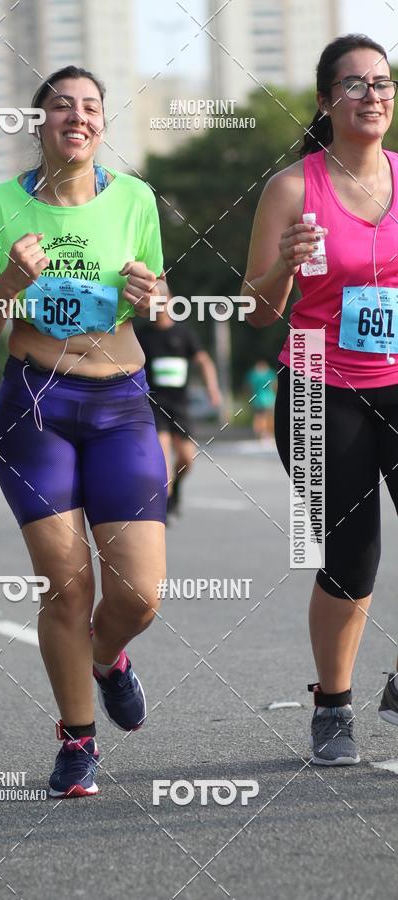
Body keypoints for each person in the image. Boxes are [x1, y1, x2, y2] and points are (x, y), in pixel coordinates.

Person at [0, 65, 168, 797]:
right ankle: (77, 740)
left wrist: (155, 295)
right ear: (38, 122)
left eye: (91, 108)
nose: (77, 117)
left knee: (139, 594)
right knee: (66, 587)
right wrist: (9, 287)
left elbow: (158, 303)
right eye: (62, 107)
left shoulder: (135, 198)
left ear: (102, 124)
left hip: (121, 404)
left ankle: (108, 658)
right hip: (36, 406)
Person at [242, 34, 398, 765]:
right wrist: (285, 262)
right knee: (353, 553)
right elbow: (257, 309)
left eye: (383, 83)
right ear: (326, 100)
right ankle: (332, 709)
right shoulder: (291, 188)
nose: (373, 96)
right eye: (356, 84)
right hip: (319, 387)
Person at [136, 305, 221, 516]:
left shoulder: (184, 333)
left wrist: (212, 387)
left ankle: (176, 488)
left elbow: (203, 360)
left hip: (180, 405)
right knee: (162, 461)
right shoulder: (142, 335)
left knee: (186, 459)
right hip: (153, 404)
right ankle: (162, 508)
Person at [244, 359, 276, 440]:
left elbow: (248, 387)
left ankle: (261, 434)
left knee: (259, 417)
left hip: (257, 399)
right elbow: (275, 385)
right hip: (269, 398)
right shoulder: (270, 373)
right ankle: (267, 434)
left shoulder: (253, 374)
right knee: (268, 417)